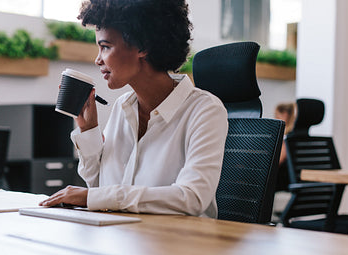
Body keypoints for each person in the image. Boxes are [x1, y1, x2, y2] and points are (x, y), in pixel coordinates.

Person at [40, 0, 228, 218]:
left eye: (106, 47)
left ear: (142, 46)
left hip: (180, 245)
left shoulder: (205, 111)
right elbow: (101, 189)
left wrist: (93, 198)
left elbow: (192, 198)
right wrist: (89, 130)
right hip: (126, 239)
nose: (97, 59)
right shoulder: (123, 107)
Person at [273, 102, 296, 191]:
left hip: (284, 181)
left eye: (277, 116)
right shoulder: (296, 134)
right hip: (291, 179)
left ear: (285, 115)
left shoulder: (287, 136)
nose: (275, 119)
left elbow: (278, 160)